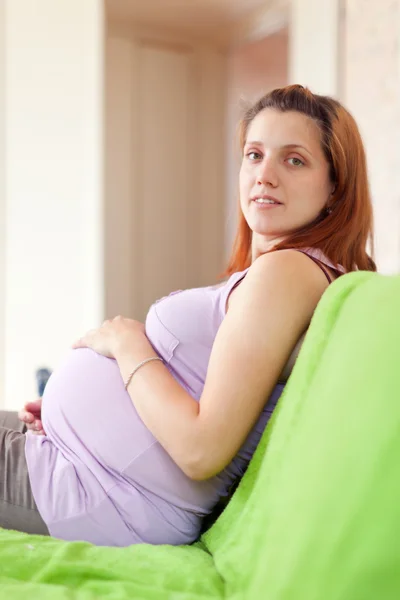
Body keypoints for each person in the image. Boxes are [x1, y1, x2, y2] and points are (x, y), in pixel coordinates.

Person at [0, 84, 376, 546]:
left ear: (336, 186)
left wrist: (127, 345)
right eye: (254, 155)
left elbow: (201, 450)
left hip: (89, 494)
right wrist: (68, 418)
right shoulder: (277, 271)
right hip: (79, 465)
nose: (265, 175)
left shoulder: (289, 271)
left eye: (294, 159)